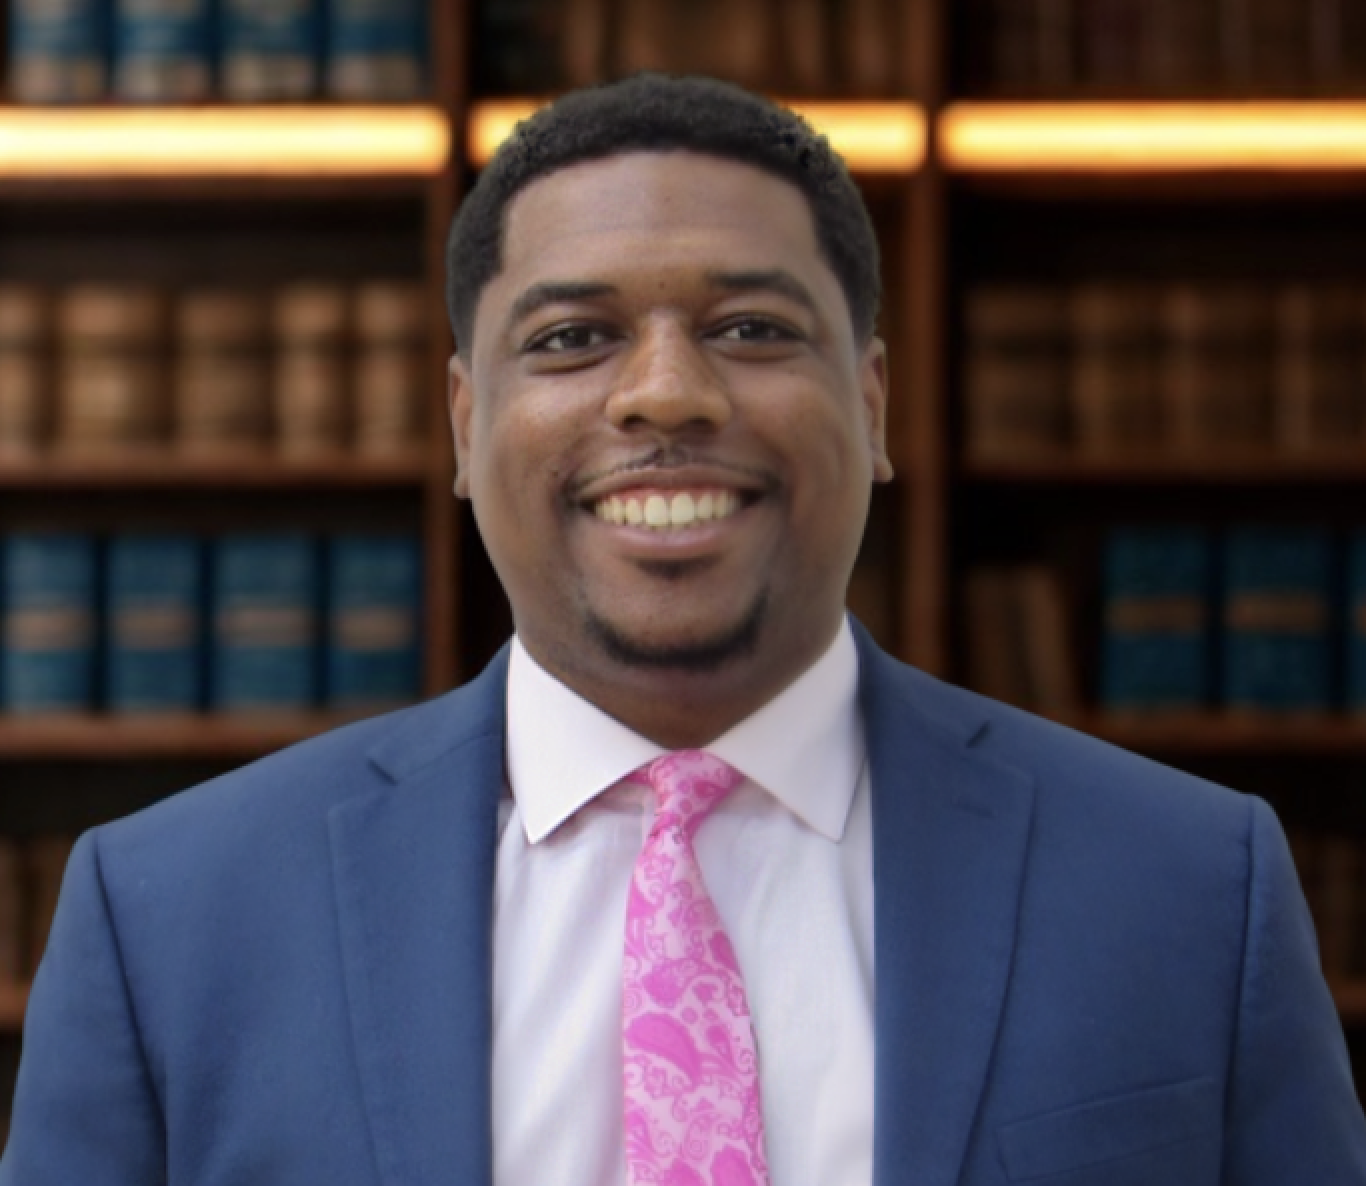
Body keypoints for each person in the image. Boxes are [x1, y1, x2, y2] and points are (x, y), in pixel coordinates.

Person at [3, 73, 1364, 1186]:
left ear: (874, 407)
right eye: (572, 338)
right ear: (465, 429)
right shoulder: (166, 917)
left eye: (751, 326)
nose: (666, 394)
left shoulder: (1195, 888)